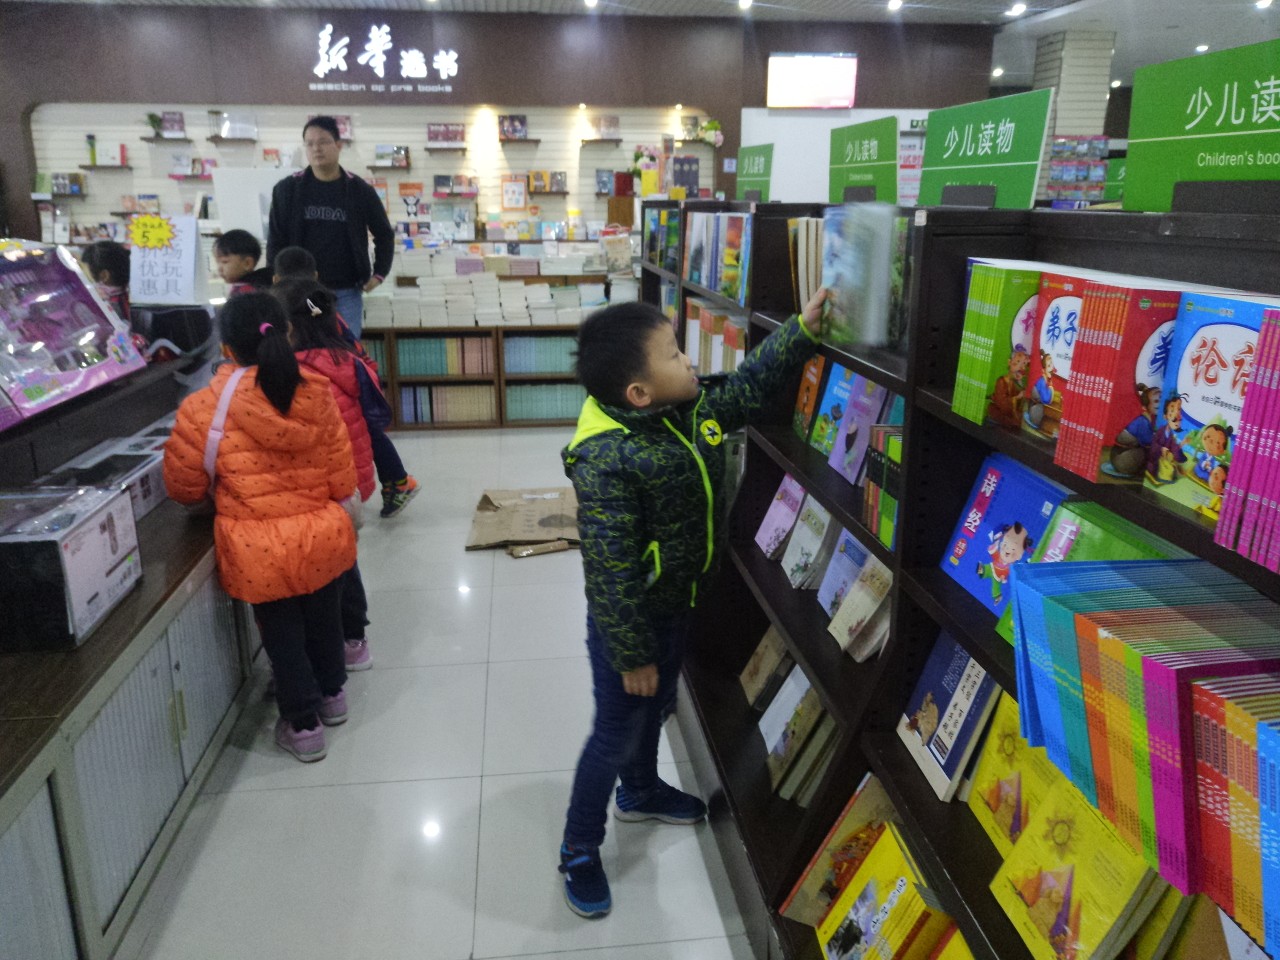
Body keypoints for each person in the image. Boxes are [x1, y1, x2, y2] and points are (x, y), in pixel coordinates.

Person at [557, 288, 826, 919]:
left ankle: (641, 791)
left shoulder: (690, 409)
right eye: (675, 354)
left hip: (677, 603)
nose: (691, 362)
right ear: (638, 393)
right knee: (615, 731)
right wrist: (631, 653)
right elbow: (610, 571)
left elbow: (747, 389)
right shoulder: (606, 459)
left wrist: (801, 331)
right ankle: (578, 847)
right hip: (628, 626)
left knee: (656, 710)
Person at [162, 293, 359, 763]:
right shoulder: (316, 393)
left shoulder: (203, 407)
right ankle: (333, 696)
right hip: (322, 534)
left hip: (258, 547)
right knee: (324, 620)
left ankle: (303, 725)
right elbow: (341, 479)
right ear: (286, 333)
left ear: (225, 348)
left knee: (283, 635)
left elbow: (184, 487)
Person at [275, 278, 377, 670]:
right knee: (346, 560)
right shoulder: (347, 358)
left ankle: (341, 640)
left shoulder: (294, 374)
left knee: (329, 570)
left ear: (288, 327)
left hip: (320, 485)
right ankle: (354, 638)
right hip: (351, 479)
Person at [273, 245, 420, 518]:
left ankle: (399, 481)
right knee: (366, 431)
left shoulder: (295, 316)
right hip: (351, 371)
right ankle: (398, 482)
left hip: (345, 377)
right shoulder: (321, 310)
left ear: (275, 280)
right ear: (316, 276)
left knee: (364, 431)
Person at [266, 116, 395, 337]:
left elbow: (384, 234)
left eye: (323, 141)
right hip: (300, 291)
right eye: (309, 143)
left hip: (347, 290)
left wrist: (380, 273)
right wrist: (277, 284)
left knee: (346, 348)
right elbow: (276, 240)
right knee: (305, 347)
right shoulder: (287, 190)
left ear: (339, 145)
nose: (316, 148)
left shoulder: (359, 190)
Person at [81, 239, 131, 323]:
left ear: (104, 275)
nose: (81, 273)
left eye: (83, 269)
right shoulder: (127, 296)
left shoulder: (107, 304)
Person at [214, 230, 274, 295]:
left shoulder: (243, 291)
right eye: (217, 262)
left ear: (247, 263)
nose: (219, 269)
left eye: (224, 262)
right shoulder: (263, 283)